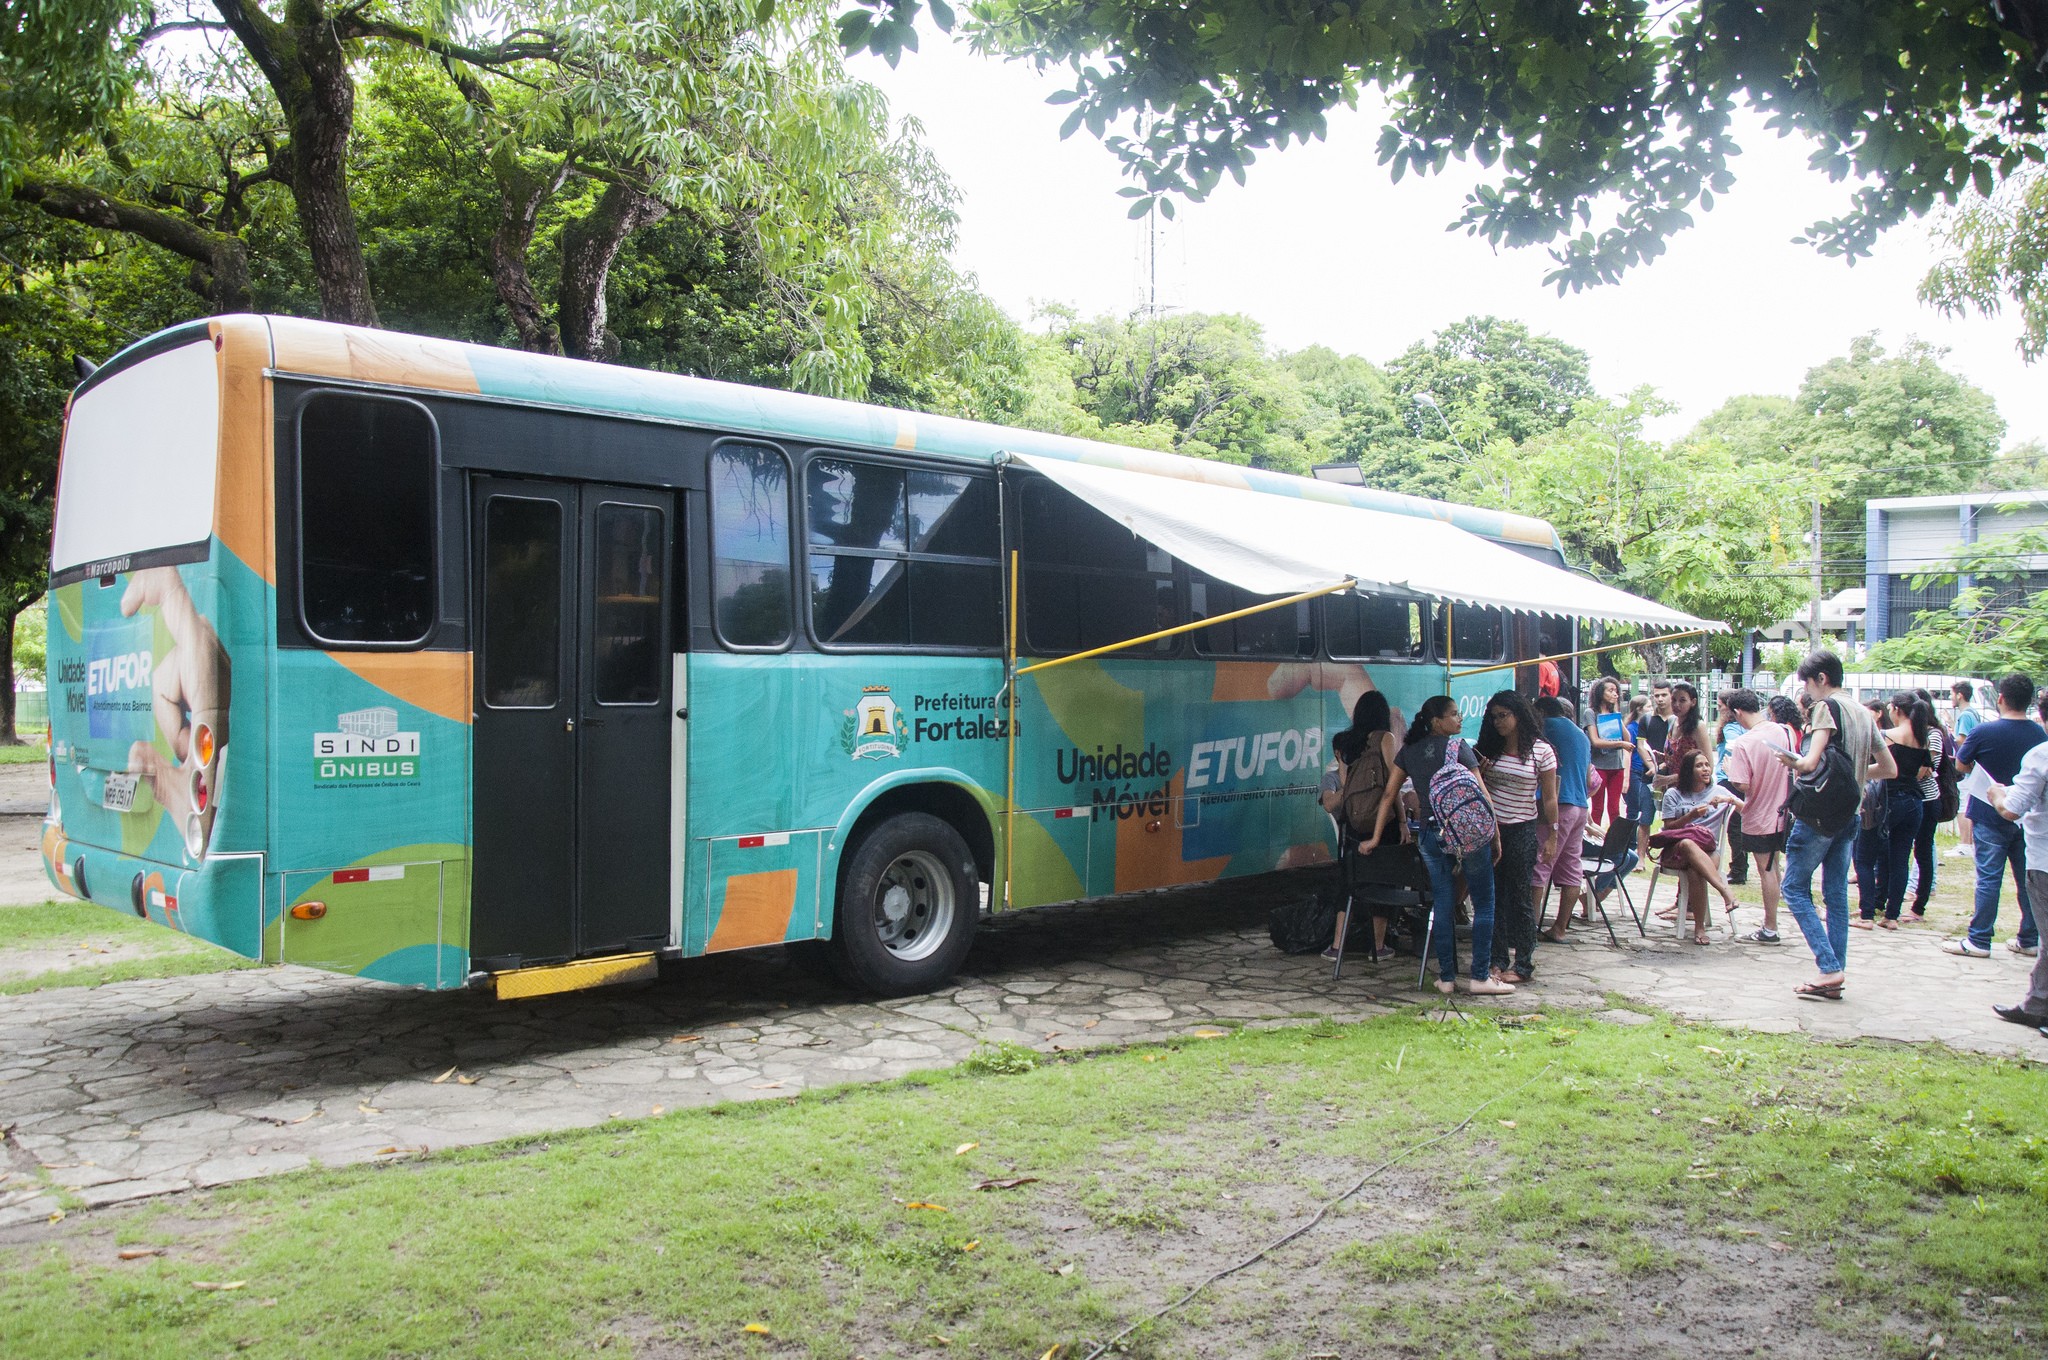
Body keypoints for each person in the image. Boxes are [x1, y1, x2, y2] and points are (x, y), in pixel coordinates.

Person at [1359, 695, 1511, 995]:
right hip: (1467, 833)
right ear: (1436, 721)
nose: (1460, 718)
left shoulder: (1409, 751)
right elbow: (1482, 795)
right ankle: (1480, 976)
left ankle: (1447, 978)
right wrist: (1494, 835)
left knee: (1442, 902)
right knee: (1484, 903)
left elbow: (1389, 795)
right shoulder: (1459, 748)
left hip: (1431, 834)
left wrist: (1376, 837)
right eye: (1454, 714)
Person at [1774, 650, 1897, 1001]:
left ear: (1822, 679)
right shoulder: (1863, 712)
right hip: (1851, 814)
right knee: (1836, 895)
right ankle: (1834, 973)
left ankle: (1829, 967)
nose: (1808, 693)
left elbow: (1810, 762)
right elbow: (1888, 768)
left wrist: (1790, 759)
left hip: (1820, 815)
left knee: (1795, 888)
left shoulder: (1827, 707)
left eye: (1808, 684)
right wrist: (1854, 778)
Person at [1946, 673, 2048, 958]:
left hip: (1989, 812)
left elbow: (1963, 765)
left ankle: (1979, 939)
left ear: (2000, 698)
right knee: (2026, 878)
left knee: (1989, 878)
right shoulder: (2040, 735)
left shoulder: (1984, 731)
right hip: (2026, 817)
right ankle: (2029, 937)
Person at [1476, 690, 1558, 984]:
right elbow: (1476, 792)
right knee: (1493, 896)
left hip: (1523, 828)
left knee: (1521, 897)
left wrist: (1553, 835)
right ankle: (1497, 958)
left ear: (1519, 715)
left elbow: (1549, 798)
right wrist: (1480, 775)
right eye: (1494, 717)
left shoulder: (1541, 751)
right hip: (1491, 830)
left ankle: (1524, 962)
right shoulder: (1486, 749)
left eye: (1504, 716)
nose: (1498, 722)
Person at [1318, 691, 1399, 961]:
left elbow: (1344, 784)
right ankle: (1377, 946)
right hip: (1380, 821)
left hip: (1352, 825)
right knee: (1383, 879)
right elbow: (1392, 784)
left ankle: (1336, 946)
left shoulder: (1348, 743)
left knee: (1348, 881)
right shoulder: (1384, 739)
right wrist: (1401, 821)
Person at [1985, 689, 2048, 1035]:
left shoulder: (2041, 756)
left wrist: (1997, 794)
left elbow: (2012, 809)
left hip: (2043, 859)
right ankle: (2036, 1003)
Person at [1723, 690, 1798, 944]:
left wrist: (1728, 769)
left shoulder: (1745, 743)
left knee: (1765, 870)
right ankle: (1771, 921)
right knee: (1773, 868)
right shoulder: (1783, 731)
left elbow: (1741, 783)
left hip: (1759, 816)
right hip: (1783, 813)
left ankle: (1770, 927)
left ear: (1738, 712)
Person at [1651, 750, 1744, 944]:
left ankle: (1699, 928)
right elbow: (1667, 828)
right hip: (1677, 850)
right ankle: (1725, 892)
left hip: (1710, 850)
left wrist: (1730, 800)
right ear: (1688, 770)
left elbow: (1746, 809)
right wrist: (1689, 817)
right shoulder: (1673, 794)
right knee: (1687, 843)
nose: (1705, 769)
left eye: (1707, 765)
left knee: (1695, 870)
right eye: (1699, 765)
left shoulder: (1718, 791)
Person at [1855, 693, 1930, 930]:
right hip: (1914, 802)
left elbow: (1880, 765)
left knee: (1864, 857)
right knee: (1900, 859)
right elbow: (1922, 770)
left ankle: (1866, 914)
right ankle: (1892, 916)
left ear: (1896, 709)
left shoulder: (1888, 736)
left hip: (1885, 802)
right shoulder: (1922, 738)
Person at [1535, 694, 1594, 942]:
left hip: (1557, 804)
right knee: (1572, 868)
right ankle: (1560, 928)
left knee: (1539, 866)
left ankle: (1528, 928)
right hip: (1580, 805)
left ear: (1540, 713)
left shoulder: (1545, 728)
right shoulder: (1581, 734)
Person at [1906, 687, 1947, 918]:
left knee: (1923, 850)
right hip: (1912, 798)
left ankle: (1919, 904)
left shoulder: (1933, 734)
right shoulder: (1912, 733)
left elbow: (1925, 770)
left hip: (1927, 799)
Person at [1582, 676, 1629, 830]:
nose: (1614, 693)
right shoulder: (1591, 713)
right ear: (1600, 693)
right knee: (1597, 808)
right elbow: (1595, 741)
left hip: (1616, 765)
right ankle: (1594, 842)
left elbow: (1627, 737)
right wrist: (1620, 743)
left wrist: (1616, 714)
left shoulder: (1614, 713)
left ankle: (1612, 845)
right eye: (1610, 690)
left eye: (1616, 690)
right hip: (1599, 765)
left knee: (1614, 808)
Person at [1717, 689, 1753, 885]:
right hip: (1738, 778)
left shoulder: (1731, 726)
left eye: (1721, 706)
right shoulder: (1744, 727)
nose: (1718, 709)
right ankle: (1740, 866)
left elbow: (1733, 745)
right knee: (1738, 825)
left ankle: (1738, 869)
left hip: (1729, 778)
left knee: (1733, 827)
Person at [1948, 680, 1983, 859]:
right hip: (1974, 765)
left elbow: (1962, 739)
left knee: (1963, 803)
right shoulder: (1973, 713)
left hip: (1967, 765)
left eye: (1952, 694)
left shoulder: (1965, 715)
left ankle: (1965, 843)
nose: (1950, 697)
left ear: (1960, 695)